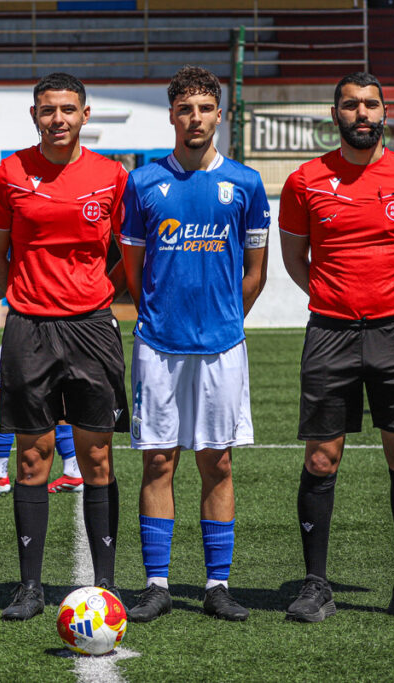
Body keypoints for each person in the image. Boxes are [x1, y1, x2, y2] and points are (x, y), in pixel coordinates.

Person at [278, 72, 394, 623]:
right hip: (329, 332)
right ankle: (315, 585)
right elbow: (294, 260)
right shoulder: (305, 180)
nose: (362, 113)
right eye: (350, 105)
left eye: (371, 104)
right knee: (320, 457)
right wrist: (332, 298)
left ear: (385, 113)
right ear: (335, 114)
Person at [119, 66, 269, 624]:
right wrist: (164, 313)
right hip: (159, 345)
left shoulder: (247, 184)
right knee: (158, 460)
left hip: (222, 347)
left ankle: (216, 584)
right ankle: (157, 583)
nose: (196, 118)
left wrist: (225, 319)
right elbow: (133, 273)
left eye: (206, 108)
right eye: (186, 109)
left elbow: (255, 272)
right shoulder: (142, 183)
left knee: (218, 463)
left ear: (220, 115)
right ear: (172, 115)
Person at [0, 72, 129, 621]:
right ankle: (29, 587)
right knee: (31, 456)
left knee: (96, 455)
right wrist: (30, 293)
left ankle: (107, 584)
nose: (58, 119)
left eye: (68, 109)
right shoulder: (8, 175)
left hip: (92, 326)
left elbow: (123, 251)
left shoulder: (113, 176)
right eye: (48, 110)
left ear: (85, 115)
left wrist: (96, 288)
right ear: (34, 115)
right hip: (30, 328)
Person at [0, 283, 84, 498]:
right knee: (59, 391)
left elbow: (7, 279)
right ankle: (73, 470)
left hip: (30, 321)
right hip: (64, 318)